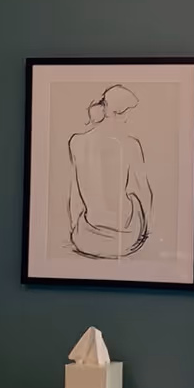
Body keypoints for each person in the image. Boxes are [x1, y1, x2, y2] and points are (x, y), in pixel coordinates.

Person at [67, 85, 153, 259]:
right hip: (124, 240)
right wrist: (147, 229)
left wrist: (75, 227)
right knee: (136, 197)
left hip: (85, 238)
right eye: (130, 112)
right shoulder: (130, 145)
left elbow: (75, 195)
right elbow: (144, 193)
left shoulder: (76, 142)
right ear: (122, 113)